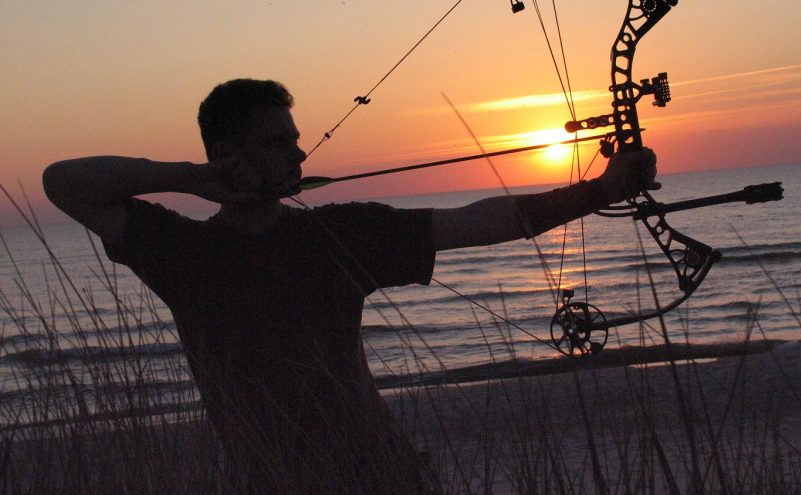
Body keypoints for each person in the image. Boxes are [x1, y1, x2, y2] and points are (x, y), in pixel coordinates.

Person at [43, 78, 657, 493]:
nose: (299, 153)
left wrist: (599, 191)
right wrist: (192, 178)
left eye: (295, 138)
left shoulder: (339, 234)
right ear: (227, 151)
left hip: (384, 476)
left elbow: (478, 222)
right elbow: (61, 180)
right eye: (278, 141)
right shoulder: (182, 251)